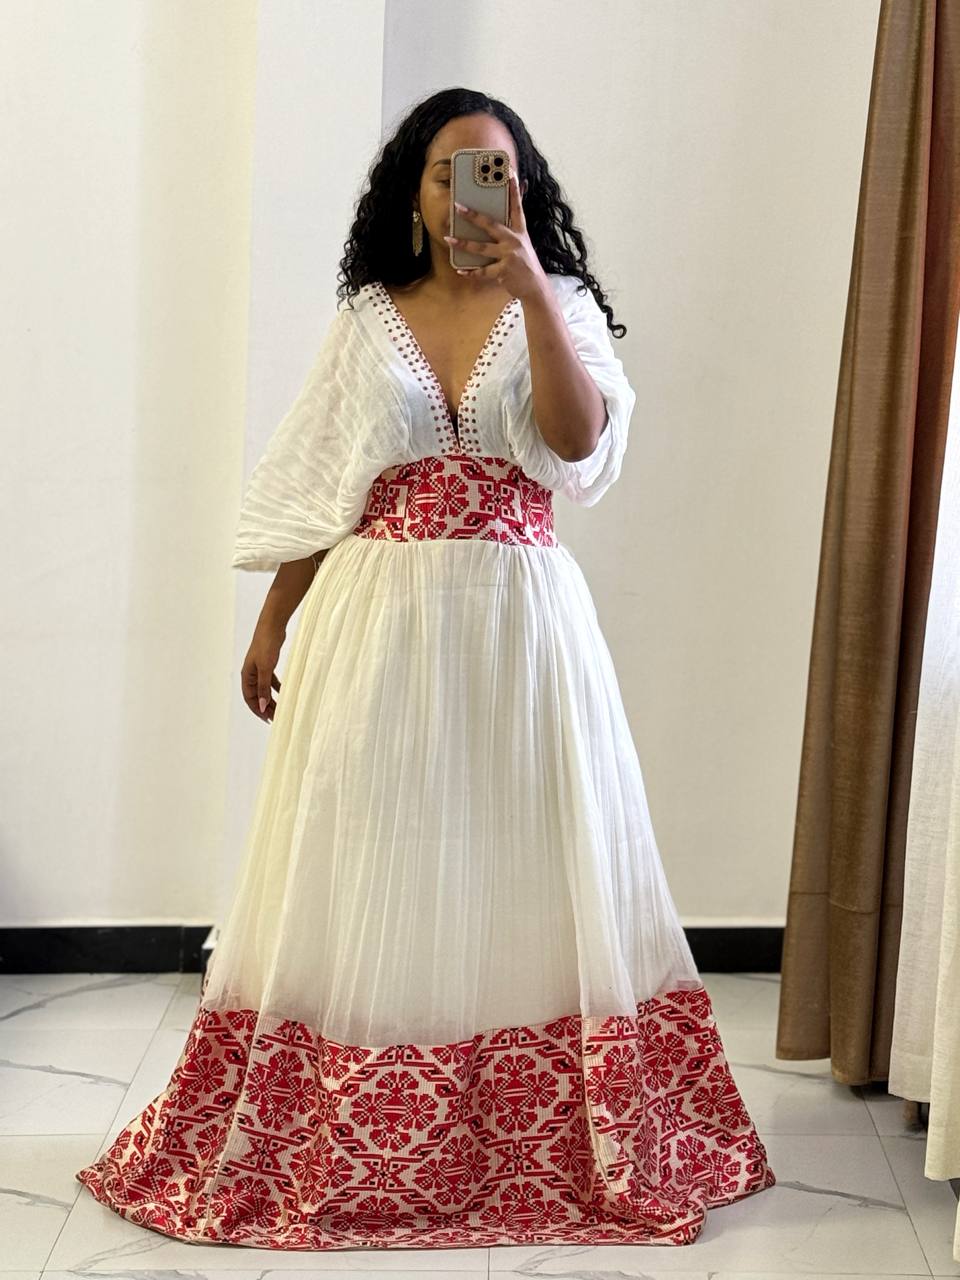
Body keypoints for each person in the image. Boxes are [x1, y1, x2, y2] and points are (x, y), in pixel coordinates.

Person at [75, 87, 775, 1251]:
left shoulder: (562, 304)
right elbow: (326, 484)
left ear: (523, 187)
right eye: (449, 170)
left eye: (493, 169)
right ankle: (366, 1128)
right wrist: (272, 621)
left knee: (531, 851)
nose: (468, 191)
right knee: (371, 846)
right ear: (414, 189)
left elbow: (577, 442)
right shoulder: (367, 321)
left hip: (522, 624)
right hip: (378, 622)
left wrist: (533, 291)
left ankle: (535, 1135)